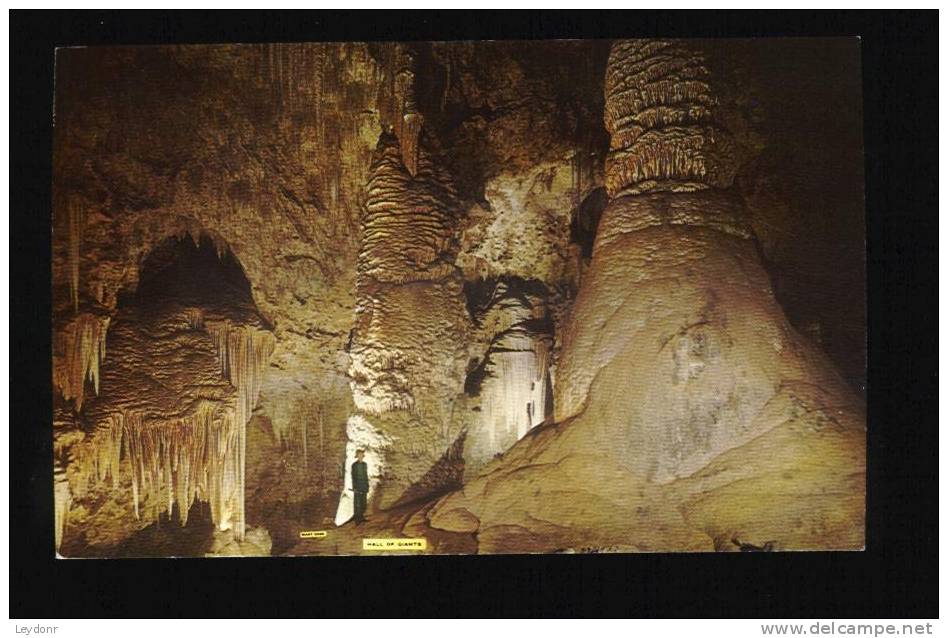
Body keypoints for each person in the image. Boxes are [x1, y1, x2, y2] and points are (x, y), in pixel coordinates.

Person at [351, 449, 369, 524]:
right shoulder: (354, 465)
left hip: (364, 485)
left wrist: (367, 485)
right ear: (357, 456)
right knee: (357, 503)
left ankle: (361, 517)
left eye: (361, 455)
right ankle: (357, 520)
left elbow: (366, 475)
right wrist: (354, 487)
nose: (360, 456)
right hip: (358, 485)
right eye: (359, 455)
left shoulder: (365, 464)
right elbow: (353, 477)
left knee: (363, 502)